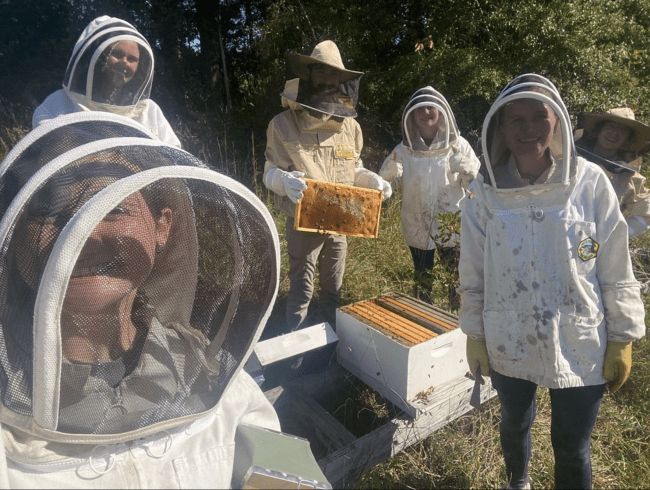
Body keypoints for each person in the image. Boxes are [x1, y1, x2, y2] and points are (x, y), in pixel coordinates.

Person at [0, 114, 295, 487]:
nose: (83, 235)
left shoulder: (206, 370)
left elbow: (285, 471)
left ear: (161, 227)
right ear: (13, 238)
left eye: (113, 208)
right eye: (49, 213)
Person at [459, 74, 645, 490]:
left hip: (579, 337)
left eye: (538, 117)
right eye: (516, 120)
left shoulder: (591, 182)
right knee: (513, 424)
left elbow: (614, 265)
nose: (527, 129)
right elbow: (472, 275)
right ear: (500, 129)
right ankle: (518, 483)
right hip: (508, 334)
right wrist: (474, 333)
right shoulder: (483, 194)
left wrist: (623, 335)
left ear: (557, 122)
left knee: (572, 443)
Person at [263, 40, 391, 331]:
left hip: (341, 221)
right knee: (301, 292)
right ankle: (298, 355)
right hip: (304, 224)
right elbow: (269, 170)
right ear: (309, 74)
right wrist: (281, 181)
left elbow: (353, 168)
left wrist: (373, 181)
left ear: (341, 80)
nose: (327, 78)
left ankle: (331, 347)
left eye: (334, 74)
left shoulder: (350, 126)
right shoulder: (282, 124)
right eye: (321, 71)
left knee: (334, 289)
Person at [379, 86, 479, 306]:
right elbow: (384, 190)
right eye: (419, 109)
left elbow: (477, 191)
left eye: (430, 108)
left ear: (441, 112)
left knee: (456, 281)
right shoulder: (403, 150)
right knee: (423, 280)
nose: (425, 112)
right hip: (417, 223)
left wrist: (469, 171)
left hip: (451, 226)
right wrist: (386, 176)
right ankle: (426, 321)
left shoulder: (459, 146)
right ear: (412, 116)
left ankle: (456, 323)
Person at [32, 16, 181, 148]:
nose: (124, 63)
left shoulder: (150, 111)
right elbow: (47, 151)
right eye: (116, 54)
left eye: (132, 59)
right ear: (98, 57)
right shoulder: (59, 103)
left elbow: (173, 155)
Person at [574, 107, 650, 238]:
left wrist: (614, 235)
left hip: (591, 246)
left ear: (627, 139)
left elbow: (646, 213)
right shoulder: (569, 158)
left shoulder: (630, 177)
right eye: (611, 126)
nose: (614, 133)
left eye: (623, 130)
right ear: (599, 130)